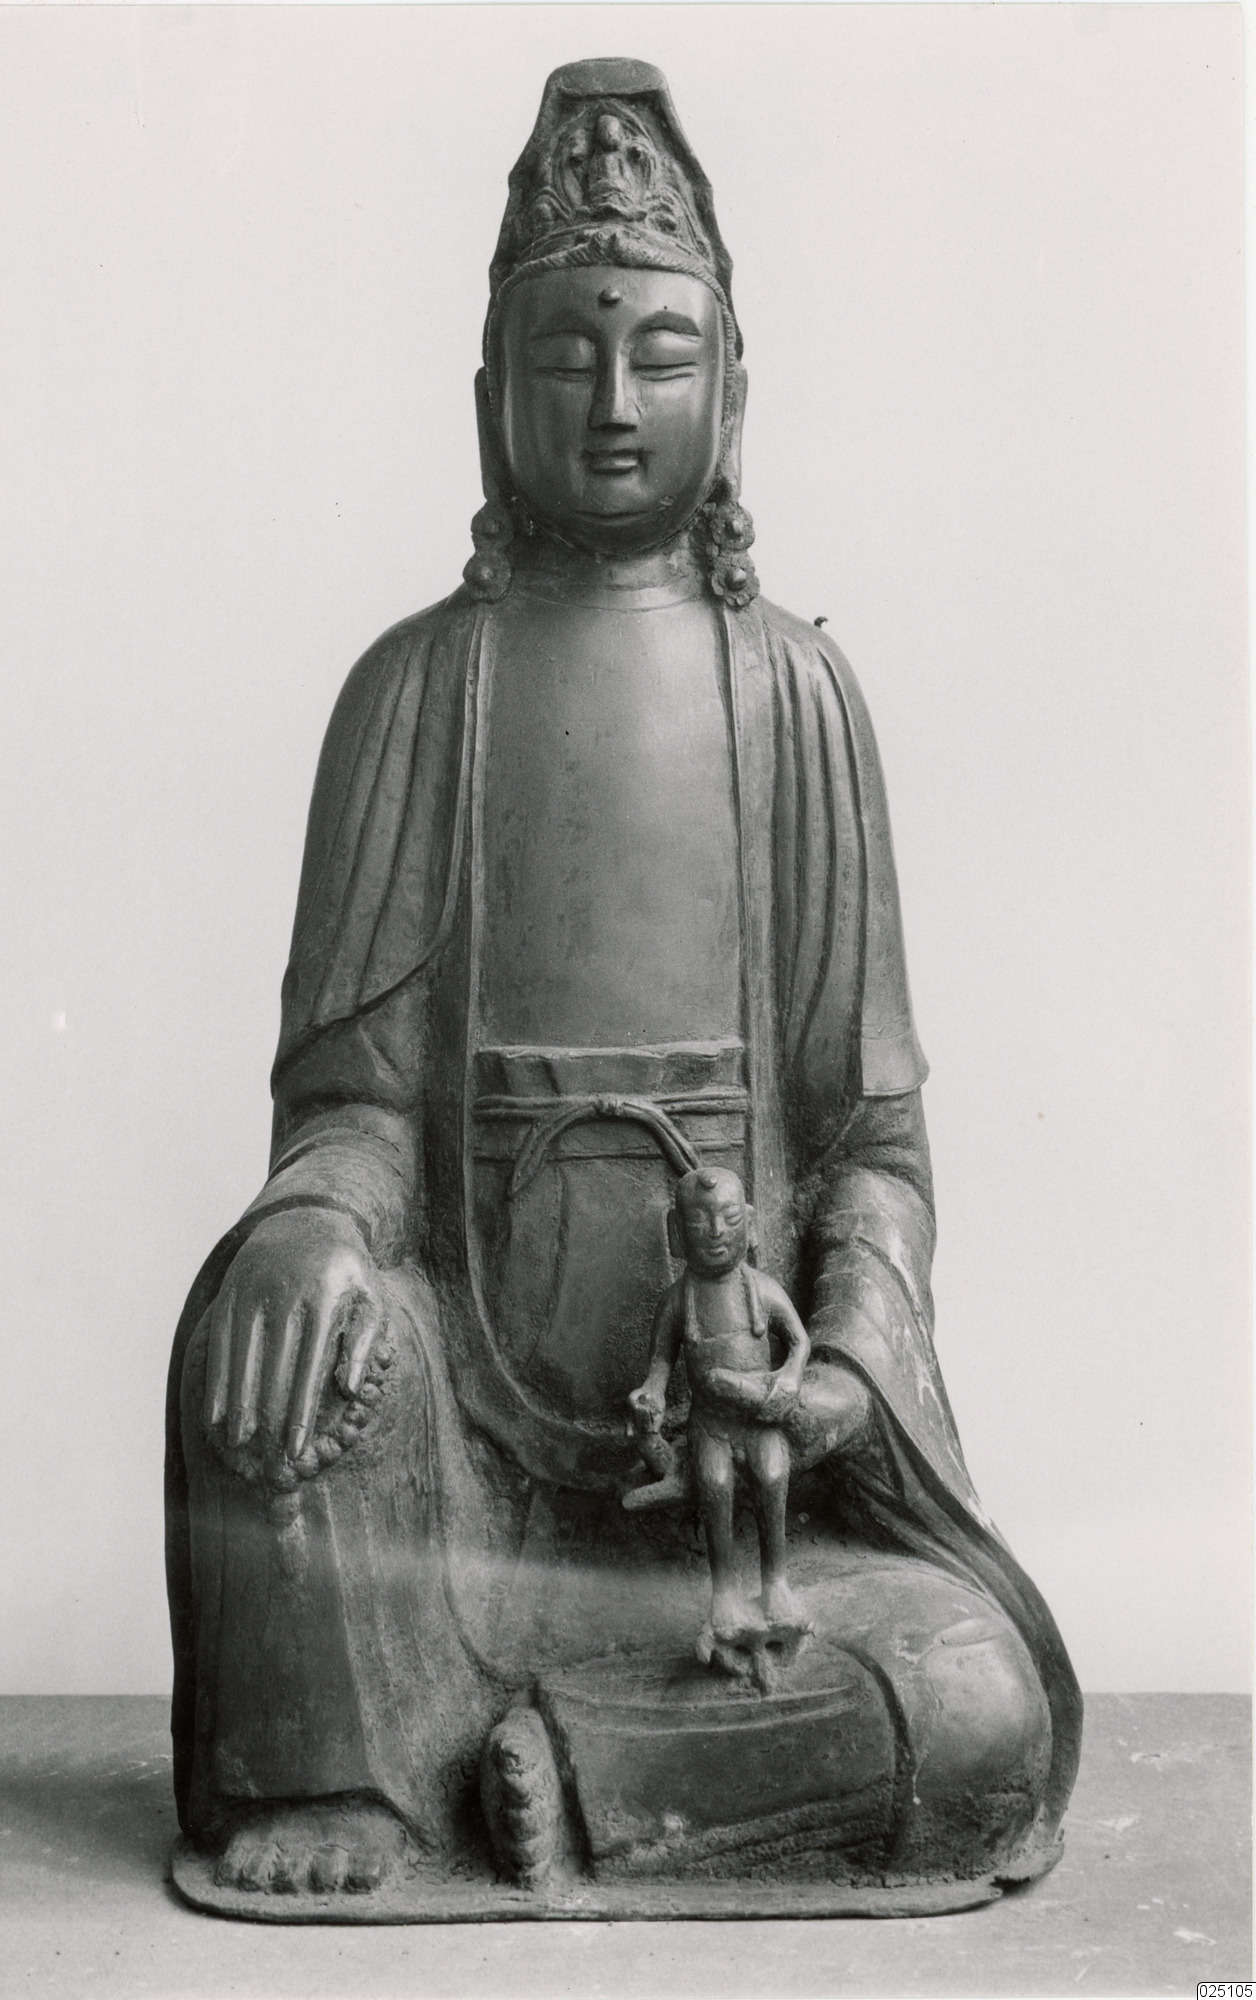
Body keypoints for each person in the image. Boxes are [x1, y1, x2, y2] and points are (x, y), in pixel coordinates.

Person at [166, 57, 1081, 1910]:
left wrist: (840, 1377)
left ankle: (575, 1763)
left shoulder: (798, 703)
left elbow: (874, 1150)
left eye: (660, 356)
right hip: (457, 1482)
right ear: (485, 397)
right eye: (564, 356)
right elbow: (351, 1106)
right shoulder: (416, 695)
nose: (609, 403)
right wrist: (313, 1228)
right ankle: (371, 1758)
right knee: (264, 1331)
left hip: (734, 1522)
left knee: (986, 1706)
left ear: (732, 393)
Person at [628, 1166, 811, 1652]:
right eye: (698, 1222)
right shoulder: (677, 1301)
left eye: (729, 1219)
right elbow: (660, 1363)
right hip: (709, 1425)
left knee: (773, 1474)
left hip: (758, 1420)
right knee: (714, 1484)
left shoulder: (762, 1289)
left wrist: (790, 1376)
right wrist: (651, 1395)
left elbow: (799, 1341)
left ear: (749, 1223)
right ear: (676, 1232)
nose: (715, 1233)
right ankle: (724, 1592)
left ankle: (776, 1583)